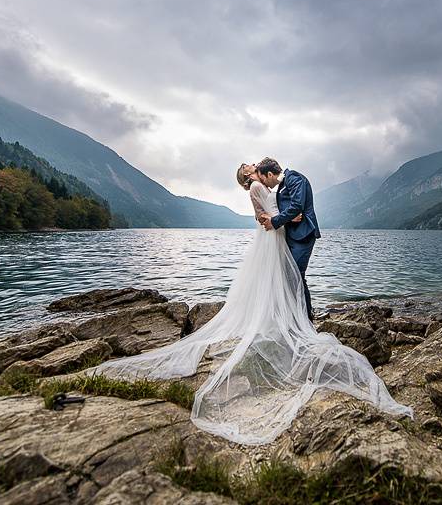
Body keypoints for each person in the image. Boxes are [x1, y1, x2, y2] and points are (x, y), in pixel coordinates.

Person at [90, 162, 413, 445]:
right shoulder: (260, 184)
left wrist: (281, 217)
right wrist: (278, 218)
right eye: (249, 169)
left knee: (291, 279)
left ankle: (296, 317)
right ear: (250, 177)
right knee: (291, 279)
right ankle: (297, 319)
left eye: (254, 167)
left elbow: (283, 207)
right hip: (279, 233)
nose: (252, 168)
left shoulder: (286, 180)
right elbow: (271, 210)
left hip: (287, 234)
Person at [254, 158, 320, 322]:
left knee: (297, 275)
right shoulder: (283, 185)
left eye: (263, 179)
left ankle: (306, 317)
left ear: (269, 174)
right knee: (291, 275)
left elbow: (297, 205)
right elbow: (289, 209)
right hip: (292, 235)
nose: (265, 184)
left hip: (304, 235)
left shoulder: (294, 178)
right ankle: (299, 314)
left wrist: (275, 222)